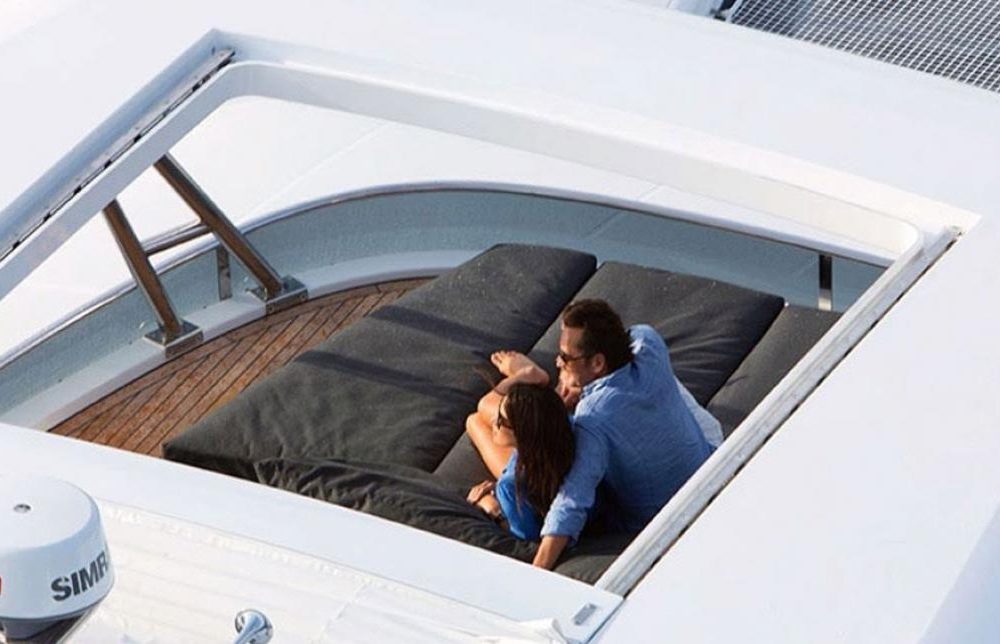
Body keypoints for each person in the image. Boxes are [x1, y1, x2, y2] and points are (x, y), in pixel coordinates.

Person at [468, 299, 716, 569]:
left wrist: (537, 570)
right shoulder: (649, 343)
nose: (558, 362)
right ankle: (541, 389)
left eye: (566, 358)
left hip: (664, 516)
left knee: (477, 422)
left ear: (598, 362)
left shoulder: (593, 418)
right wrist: (583, 387)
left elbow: (573, 498)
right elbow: (632, 337)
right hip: (709, 467)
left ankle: (531, 384)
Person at [466, 384, 575, 541]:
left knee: (474, 421)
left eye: (501, 420)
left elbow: (526, 540)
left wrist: (493, 510)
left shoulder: (510, 487)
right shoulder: (572, 427)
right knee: (474, 420)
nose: (494, 421)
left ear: (522, 433)